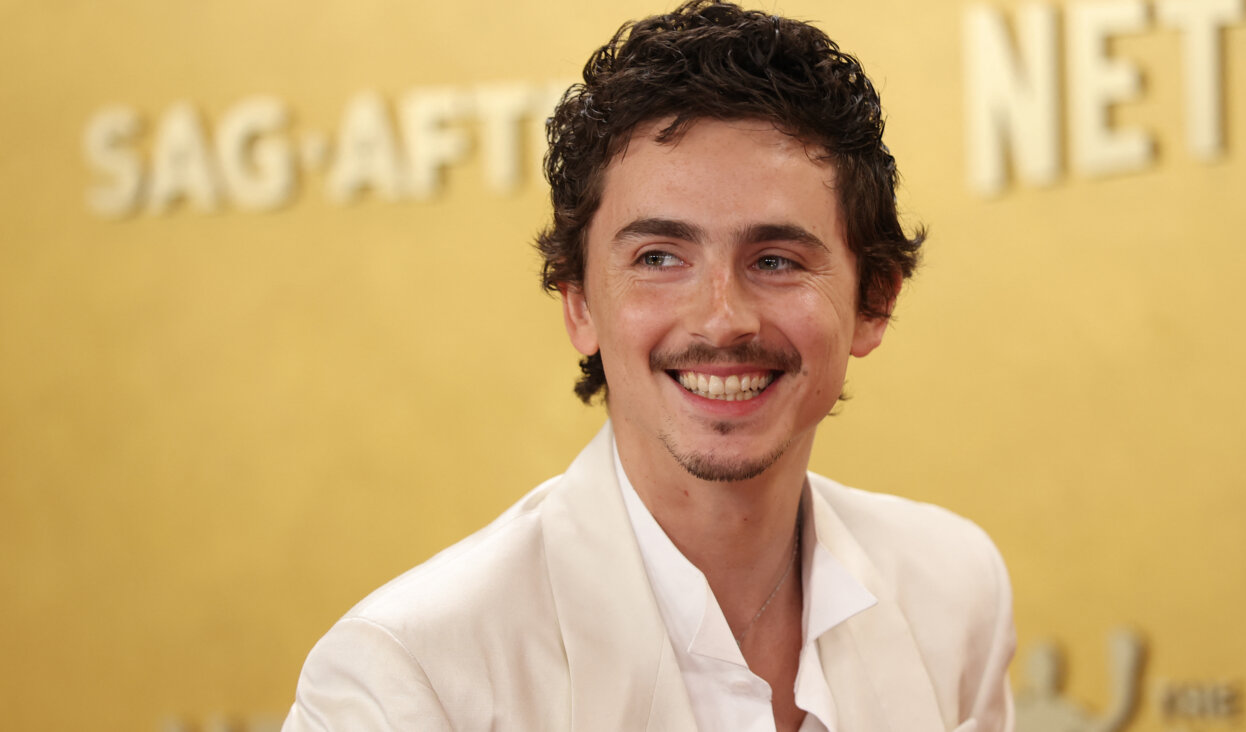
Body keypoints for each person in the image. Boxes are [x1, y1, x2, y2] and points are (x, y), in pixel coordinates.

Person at [283, 2, 1015, 730]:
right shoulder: (408, 677)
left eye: (776, 259)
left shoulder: (953, 590)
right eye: (660, 258)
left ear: (874, 302)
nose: (722, 317)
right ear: (580, 306)